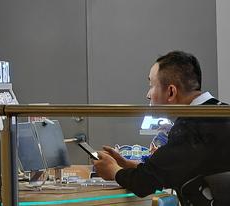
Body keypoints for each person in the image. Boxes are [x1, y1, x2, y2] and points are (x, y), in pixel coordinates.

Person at [94, 51, 230, 198]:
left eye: (152, 85)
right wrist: (126, 164)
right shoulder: (218, 113)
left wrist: (113, 171)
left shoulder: (190, 126)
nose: (148, 95)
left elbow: (144, 183)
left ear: (171, 92)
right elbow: (169, 170)